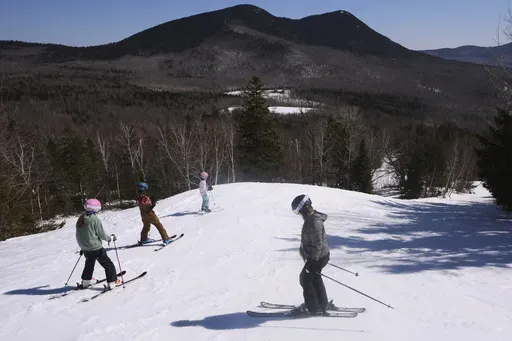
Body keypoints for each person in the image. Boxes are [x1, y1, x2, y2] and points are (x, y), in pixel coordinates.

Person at [291, 194, 331, 315]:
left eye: (299, 211)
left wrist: (313, 260)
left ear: (304, 208)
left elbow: (318, 243)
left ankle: (313, 308)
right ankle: (321, 304)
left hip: (318, 257)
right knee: (314, 278)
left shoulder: (314, 221)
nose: (299, 214)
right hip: (318, 256)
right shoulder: (311, 218)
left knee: (305, 279)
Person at [76, 198, 121, 289]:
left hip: (85, 248)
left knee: (89, 263)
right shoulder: (94, 219)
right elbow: (101, 234)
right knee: (107, 264)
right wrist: (109, 239)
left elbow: (80, 234)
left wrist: (83, 246)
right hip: (95, 247)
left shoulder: (81, 218)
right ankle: (112, 281)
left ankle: (86, 281)